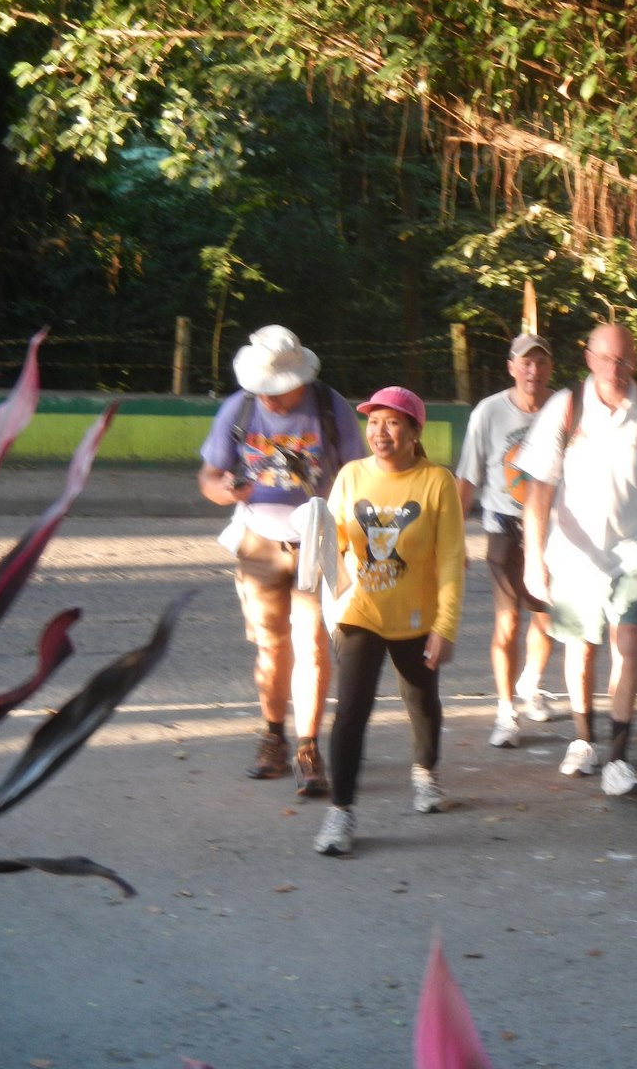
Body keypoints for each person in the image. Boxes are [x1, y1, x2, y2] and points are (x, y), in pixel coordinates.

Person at [517, 323, 637, 798]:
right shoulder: (565, 407)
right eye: (606, 359)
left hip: (634, 550)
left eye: (624, 360)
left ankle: (618, 758)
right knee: (581, 649)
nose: (615, 369)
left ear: (635, 360)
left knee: (628, 641)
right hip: (573, 554)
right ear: (589, 358)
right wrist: (534, 558)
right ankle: (582, 740)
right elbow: (539, 491)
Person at [198, 325, 365, 796]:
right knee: (271, 647)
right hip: (259, 542)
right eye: (262, 388)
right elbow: (209, 477)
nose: (268, 397)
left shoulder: (330, 408)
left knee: (311, 644)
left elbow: (357, 477)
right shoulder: (240, 407)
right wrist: (223, 490)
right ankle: (273, 736)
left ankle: (308, 748)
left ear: (300, 380)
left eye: (278, 389)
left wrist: (356, 542)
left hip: (319, 540)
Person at [314, 386, 466, 857]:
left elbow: (451, 560)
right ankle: (341, 811)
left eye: (393, 422)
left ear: (415, 432)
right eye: (374, 421)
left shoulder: (437, 482)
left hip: (416, 615)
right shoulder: (351, 475)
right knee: (350, 710)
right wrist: (311, 543)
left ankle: (425, 773)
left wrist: (445, 626)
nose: (380, 432)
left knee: (421, 700)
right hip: (359, 611)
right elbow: (334, 541)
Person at [455, 334, 559, 748]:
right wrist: (455, 539)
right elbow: (468, 476)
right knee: (508, 620)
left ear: (550, 368)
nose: (533, 371)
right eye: (526, 363)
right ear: (511, 367)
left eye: (541, 363)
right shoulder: (489, 412)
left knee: (546, 619)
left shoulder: (564, 408)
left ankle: (530, 683)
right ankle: (505, 711)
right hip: (503, 525)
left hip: (553, 529)